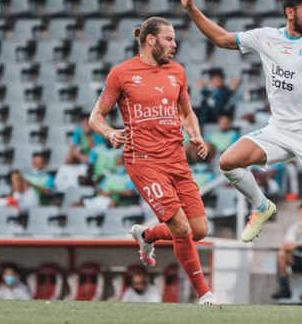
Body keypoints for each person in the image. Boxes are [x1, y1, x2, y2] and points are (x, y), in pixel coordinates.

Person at [176, 0, 302, 307]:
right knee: (228, 161)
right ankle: (262, 207)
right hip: (279, 129)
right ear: (290, 12)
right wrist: (192, 9)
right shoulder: (266, 37)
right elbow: (223, 39)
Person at [89, 16, 218, 305]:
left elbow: (186, 112)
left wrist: (196, 134)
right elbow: (95, 117)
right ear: (151, 40)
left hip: (176, 159)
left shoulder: (177, 71)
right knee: (181, 228)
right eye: (169, 39)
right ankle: (204, 293)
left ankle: (146, 235)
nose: (175, 44)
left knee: (199, 231)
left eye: (174, 39)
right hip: (144, 160)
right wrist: (109, 133)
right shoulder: (121, 73)